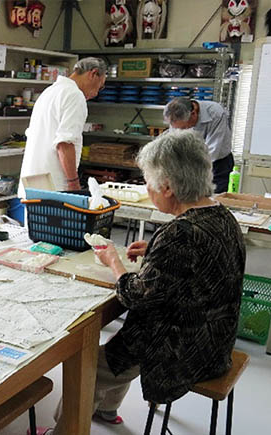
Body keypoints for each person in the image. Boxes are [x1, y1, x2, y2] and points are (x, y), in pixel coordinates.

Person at [45, 130, 245, 435]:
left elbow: (134, 297)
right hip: (215, 343)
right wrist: (154, 250)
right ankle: (108, 409)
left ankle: (65, 430)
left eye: (148, 182)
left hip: (183, 351)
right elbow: (200, 261)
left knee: (91, 364)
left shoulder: (179, 234)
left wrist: (114, 261)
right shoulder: (222, 216)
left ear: (166, 187)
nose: (146, 188)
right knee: (121, 344)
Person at [19, 57, 106, 195]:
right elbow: (64, 144)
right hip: (53, 184)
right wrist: (73, 183)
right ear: (93, 74)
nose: (96, 93)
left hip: (32, 182)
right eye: (100, 86)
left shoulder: (49, 92)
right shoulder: (75, 96)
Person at [164, 97, 234, 194]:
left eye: (185, 127)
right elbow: (175, 141)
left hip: (217, 163)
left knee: (214, 198)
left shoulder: (215, 113)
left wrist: (191, 170)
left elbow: (213, 150)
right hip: (190, 163)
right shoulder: (174, 114)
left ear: (193, 114)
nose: (184, 131)